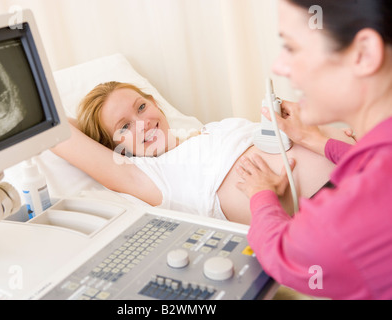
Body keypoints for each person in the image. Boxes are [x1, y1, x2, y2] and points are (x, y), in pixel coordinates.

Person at [236, 0, 392, 299]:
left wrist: (261, 195)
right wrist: (314, 139)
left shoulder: (347, 218)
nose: (279, 66)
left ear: (364, 54)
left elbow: (281, 250)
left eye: (292, 48)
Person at [52, 81, 353, 225]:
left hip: (362, 164)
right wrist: (97, 131)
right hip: (334, 210)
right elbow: (54, 128)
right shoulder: (147, 176)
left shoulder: (214, 128)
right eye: (125, 126)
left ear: (155, 102)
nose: (143, 123)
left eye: (142, 107)